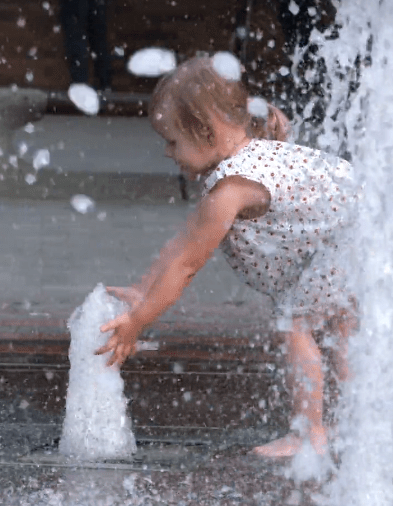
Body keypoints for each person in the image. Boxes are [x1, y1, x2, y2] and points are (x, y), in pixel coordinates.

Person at [95, 55, 358, 458]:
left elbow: (186, 264)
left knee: (296, 324)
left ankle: (310, 433)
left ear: (204, 132)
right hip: (359, 234)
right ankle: (358, 422)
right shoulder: (252, 155)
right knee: (341, 328)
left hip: (344, 242)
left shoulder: (230, 189)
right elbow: (182, 242)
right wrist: (143, 289)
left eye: (171, 140)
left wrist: (139, 320)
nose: (167, 152)